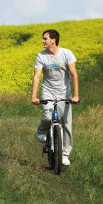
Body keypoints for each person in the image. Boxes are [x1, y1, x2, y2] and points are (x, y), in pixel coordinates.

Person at [31, 29, 79, 166]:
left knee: (66, 124)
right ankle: (42, 130)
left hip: (64, 92)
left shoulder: (66, 53)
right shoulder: (41, 55)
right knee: (47, 116)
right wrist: (34, 96)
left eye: (45, 39)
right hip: (48, 91)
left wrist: (75, 95)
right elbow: (36, 76)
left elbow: (74, 74)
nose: (43, 41)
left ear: (53, 40)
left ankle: (64, 154)